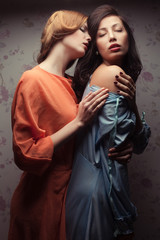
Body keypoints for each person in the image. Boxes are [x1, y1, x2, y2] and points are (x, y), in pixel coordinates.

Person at [8, 10, 110, 240]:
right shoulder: (33, 79)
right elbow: (25, 154)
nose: (89, 37)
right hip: (40, 200)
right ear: (61, 30)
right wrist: (78, 122)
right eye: (83, 30)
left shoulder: (74, 84)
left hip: (72, 193)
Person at [66, 5, 151, 240]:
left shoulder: (109, 75)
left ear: (128, 37)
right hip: (99, 192)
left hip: (85, 187)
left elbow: (138, 145)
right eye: (102, 34)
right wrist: (124, 220)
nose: (111, 36)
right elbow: (113, 162)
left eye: (117, 30)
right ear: (95, 48)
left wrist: (132, 104)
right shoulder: (113, 74)